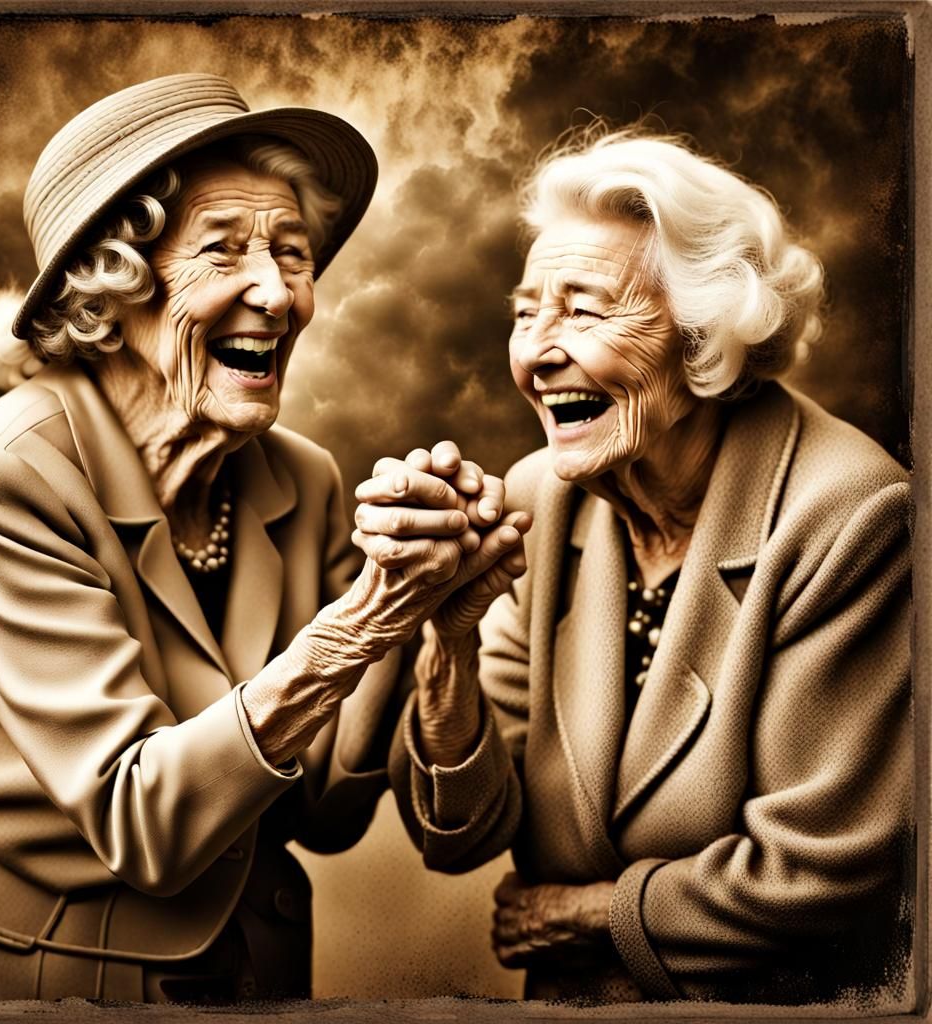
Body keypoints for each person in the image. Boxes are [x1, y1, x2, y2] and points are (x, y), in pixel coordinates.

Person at [0, 74, 527, 1004]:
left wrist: (435, 622)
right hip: (46, 978)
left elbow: (325, 809)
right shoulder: (14, 472)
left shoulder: (303, 476)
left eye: (294, 253)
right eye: (224, 252)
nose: (279, 294)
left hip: (257, 971)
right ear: (112, 289)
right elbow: (143, 821)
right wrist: (359, 625)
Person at [355, 128, 913, 1004]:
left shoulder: (848, 517)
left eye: (583, 311)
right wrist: (446, 644)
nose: (537, 353)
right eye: (525, 312)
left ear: (701, 340)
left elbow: (819, 876)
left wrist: (591, 914)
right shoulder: (543, 497)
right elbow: (462, 834)